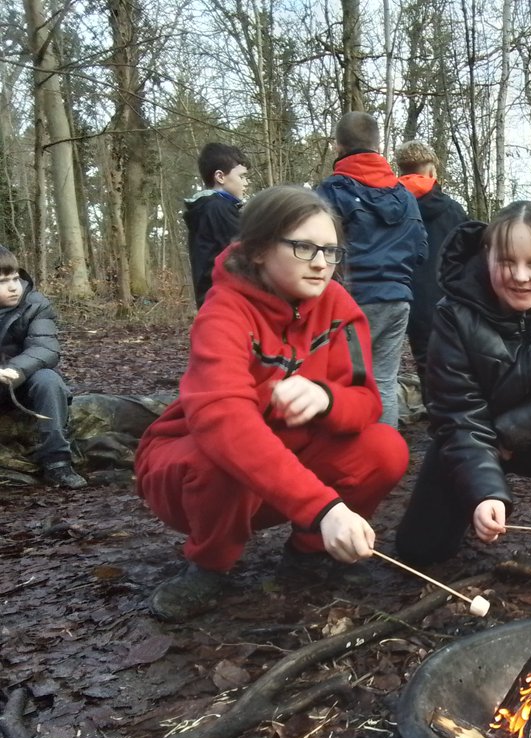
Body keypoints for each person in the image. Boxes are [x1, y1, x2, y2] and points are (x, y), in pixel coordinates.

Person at [135, 186, 409, 623]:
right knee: (221, 456)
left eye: (330, 251)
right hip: (188, 474)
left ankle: (308, 554)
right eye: (303, 247)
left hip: (289, 460)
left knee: (385, 448)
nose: (320, 263)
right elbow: (224, 423)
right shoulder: (225, 312)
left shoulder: (338, 306)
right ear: (260, 250)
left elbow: (366, 400)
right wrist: (323, 508)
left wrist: (327, 398)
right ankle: (209, 565)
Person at [393, 202, 531, 574]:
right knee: (420, 550)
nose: (520, 276)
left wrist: (512, 430)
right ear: (488, 257)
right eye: (507, 261)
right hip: (471, 436)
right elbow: (455, 412)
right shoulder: (453, 312)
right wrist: (486, 492)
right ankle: (471, 503)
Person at [318, 112, 428, 429]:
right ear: (378, 147)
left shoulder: (329, 193)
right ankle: (385, 449)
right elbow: (421, 251)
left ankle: (355, 451)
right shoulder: (405, 196)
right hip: (396, 299)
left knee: (342, 382)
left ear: (338, 146)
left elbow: (315, 248)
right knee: (383, 381)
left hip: (350, 301)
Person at [0, 246, 86, 489]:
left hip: (21, 383)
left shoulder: (35, 304)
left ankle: (57, 462)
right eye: (3, 282)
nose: (14, 287)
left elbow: (45, 349)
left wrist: (15, 370)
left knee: (48, 379)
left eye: (15, 278)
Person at [394, 140, 468, 403]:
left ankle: (433, 410)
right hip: (445, 296)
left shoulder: (389, 206)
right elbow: (468, 255)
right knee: (454, 360)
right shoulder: (452, 210)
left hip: (402, 294)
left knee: (422, 360)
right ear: (431, 170)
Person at [184, 142, 250, 308]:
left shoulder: (208, 207)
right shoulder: (217, 208)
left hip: (214, 298)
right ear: (220, 177)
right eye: (241, 176)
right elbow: (247, 251)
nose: (246, 183)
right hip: (225, 300)